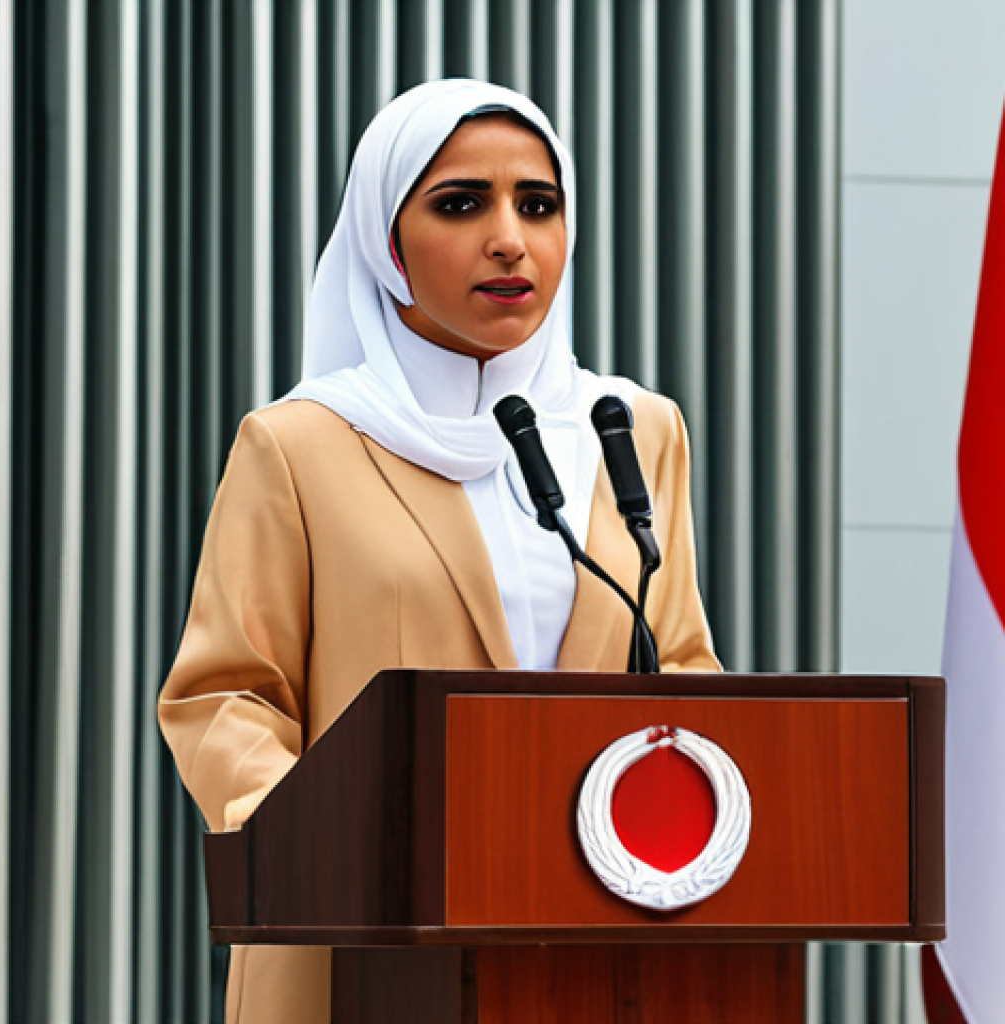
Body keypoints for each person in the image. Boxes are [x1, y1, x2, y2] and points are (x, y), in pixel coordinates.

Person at [159, 78, 719, 1024]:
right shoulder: (300, 444)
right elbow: (225, 699)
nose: (510, 238)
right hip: (363, 952)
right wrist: (333, 852)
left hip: (596, 946)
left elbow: (683, 666)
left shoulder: (632, 428)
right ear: (386, 240)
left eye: (537, 205)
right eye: (461, 204)